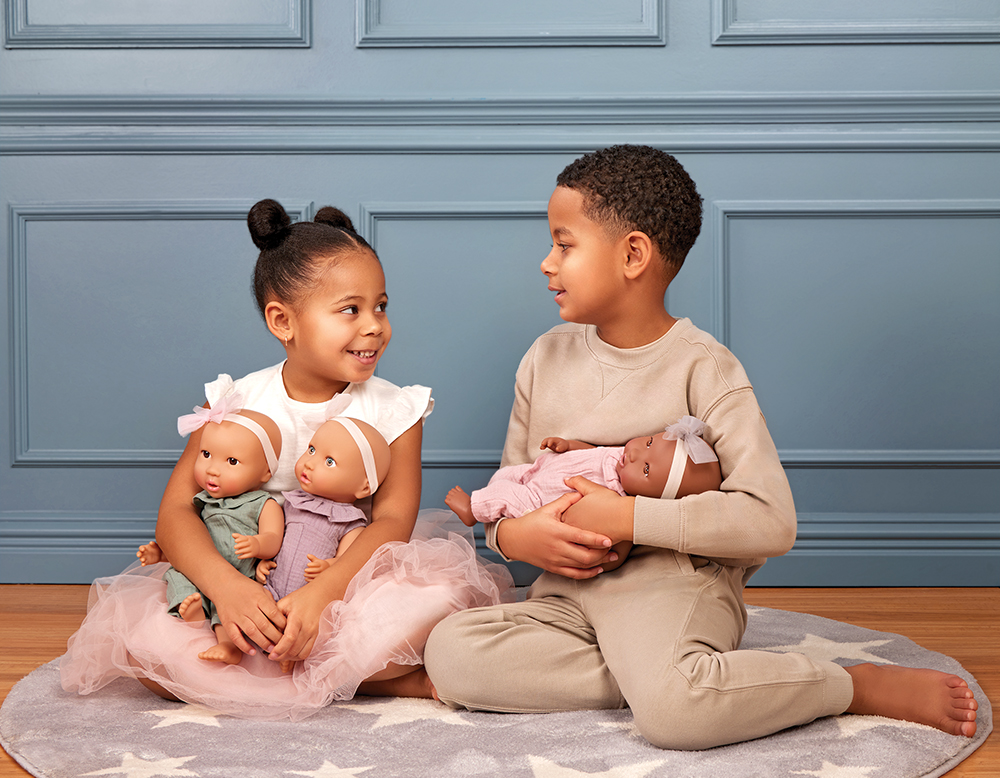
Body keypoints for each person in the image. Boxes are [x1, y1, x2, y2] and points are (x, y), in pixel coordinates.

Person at [423, 145, 978, 749]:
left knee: (675, 718)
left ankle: (847, 685)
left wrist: (627, 518)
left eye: (564, 244)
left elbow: (771, 521)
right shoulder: (544, 359)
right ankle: (669, 678)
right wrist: (515, 538)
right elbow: (511, 489)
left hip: (671, 587)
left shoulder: (704, 368)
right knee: (451, 653)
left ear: (632, 254)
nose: (546, 262)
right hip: (566, 597)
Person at [60, 199, 512, 720]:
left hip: (345, 576)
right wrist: (228, 589)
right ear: (283, 320)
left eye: (381, 306)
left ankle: (304, 667)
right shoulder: (237, 400)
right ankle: (361, 678)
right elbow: (177, 511)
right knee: (147, 653)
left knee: (437, 600)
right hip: (248, 576)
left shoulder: (396, 409)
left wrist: (323, 596)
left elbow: (392, 521)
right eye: (351, 310)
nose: (374, 326)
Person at [446, 416, 722, 570]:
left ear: (651, 500)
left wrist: (609, 557)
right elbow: (592, 451)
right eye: (649, 442)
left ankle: (473, 509)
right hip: (537, 471)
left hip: (538, 504)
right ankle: (489, 498)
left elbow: (616, 548)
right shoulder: (619, 456)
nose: (636, 453)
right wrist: (567, 445)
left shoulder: (618, 500)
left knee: (505, 497)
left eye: (646, 469)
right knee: (507, 476)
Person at [136, 397, 284, 665]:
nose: (213, 469)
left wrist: (257, 544)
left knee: (233, 601)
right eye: (206, 455)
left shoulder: (263, 503)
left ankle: (228, 645)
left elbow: (274, 539)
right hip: (205, 567)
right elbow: (192, 535)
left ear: (265, 472)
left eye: (232, 461)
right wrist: (161, 553)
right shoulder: (202, 501)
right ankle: (191, 612)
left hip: (242, 570)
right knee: (178, 577)